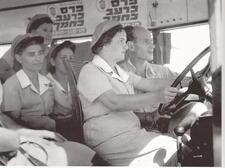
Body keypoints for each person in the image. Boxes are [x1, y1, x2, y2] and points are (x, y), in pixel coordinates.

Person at [77, 20, 205, 166]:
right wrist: (156, 96)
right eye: (121, 41)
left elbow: (150, 84)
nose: (126, 46)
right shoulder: (91, 70)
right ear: (104, 43)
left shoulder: (118, 71)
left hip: (130, 133)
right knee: (175, 150)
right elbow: (114, 102)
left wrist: (187, 82)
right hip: (109, 138)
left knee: (180, 146)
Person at [120, 26, 206, 134]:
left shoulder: (161, 71)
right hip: (130, 133)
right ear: (131, 46)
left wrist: (206, 72)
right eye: (147, 42)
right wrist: (151, 116)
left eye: (152, 41)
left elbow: (186, 80)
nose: (153, 46)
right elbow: (117, 116)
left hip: (158, 129)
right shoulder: (118, 74)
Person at [0, 82, 97, 166]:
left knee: (81, 151)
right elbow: (12, 141)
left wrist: (39, 133)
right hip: (13, 155)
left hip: (20, 143)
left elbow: (12, 127)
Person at [2, 34, 56, 131]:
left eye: (40, 53)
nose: (38, 58)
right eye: (31, 54)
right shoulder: (11, 85)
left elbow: (52, 112)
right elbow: (14, 122)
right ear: (19, 58)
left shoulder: (47, 81)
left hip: (51, 130)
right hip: (28, 136)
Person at [0, 14, 53, 83]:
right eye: (45, 30)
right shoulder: (21, 47)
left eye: (51, 31)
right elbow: (1, 68)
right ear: (32, 32)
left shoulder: (52, 52)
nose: (49, 34)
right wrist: (22, 82)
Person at [46, 40, 78, 141]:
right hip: (57, 129)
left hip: (76, 124)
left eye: (71, 58)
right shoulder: (46, 81)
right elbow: (68, 104)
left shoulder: (74, 79)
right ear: (53, 61)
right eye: (63, 58)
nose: (67, 62)